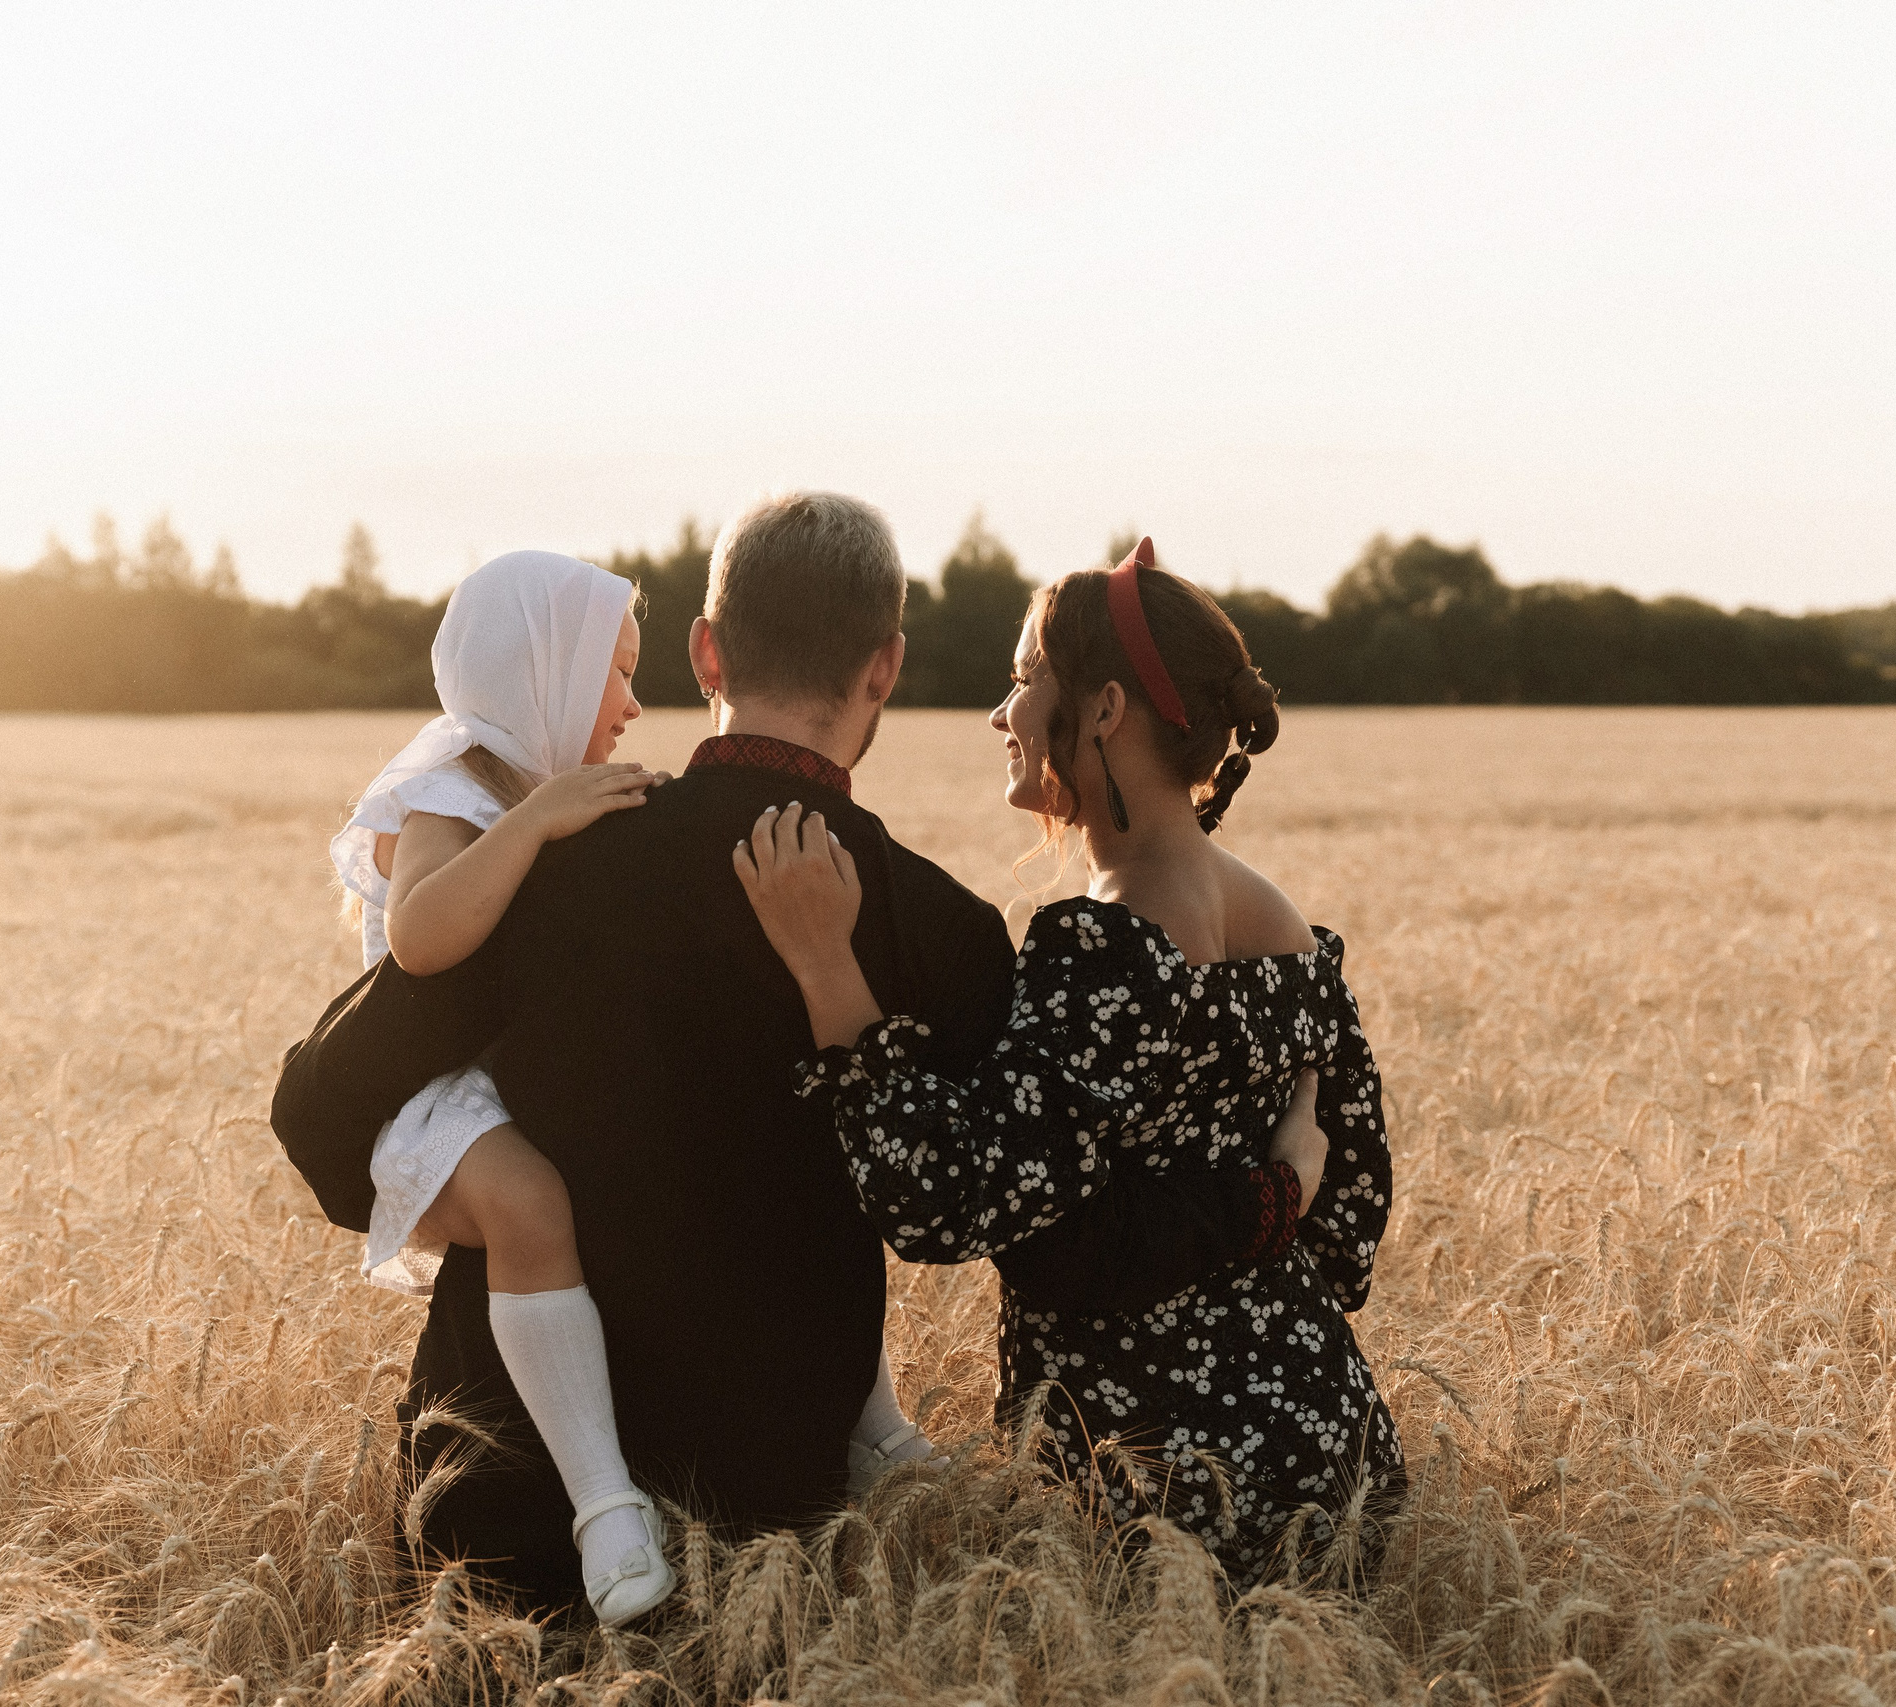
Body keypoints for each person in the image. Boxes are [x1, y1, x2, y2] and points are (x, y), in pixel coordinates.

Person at [269, 496, 1297, 1613]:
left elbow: (320, 1107)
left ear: (706, 649)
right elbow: (1054, 1225)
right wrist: (1269, 1189)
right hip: (768, 1530)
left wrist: (472, 1202)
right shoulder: (940, 932)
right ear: (885, 669)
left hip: (497, 1497)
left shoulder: (544, 865)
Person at [735, 538, 1403, 1587]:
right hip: (1337, 1451)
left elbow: (946, 1202)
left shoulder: (1107, 944)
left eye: (1020, 681)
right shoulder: (1293, 941)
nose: (1001, 717)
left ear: (1101, 711)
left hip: (1160, 1489)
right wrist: (1264, 1209)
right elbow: (1350, 1218)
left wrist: (828, 970)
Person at [325, 549, 680, 1621]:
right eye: (613, 673)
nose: (631, 702)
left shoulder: (536, 785)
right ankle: (604, 1508)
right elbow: (420, 937)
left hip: (496, 1083)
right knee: (531, 1201)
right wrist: (535, 824)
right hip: (430, 1104)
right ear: (543, 674)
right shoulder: (457, 784)